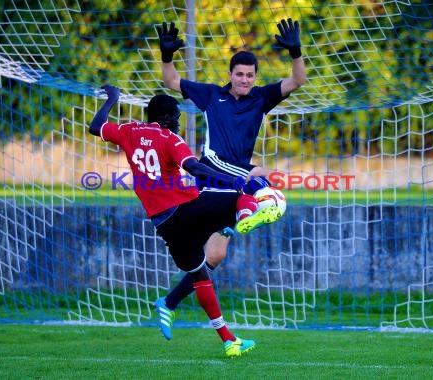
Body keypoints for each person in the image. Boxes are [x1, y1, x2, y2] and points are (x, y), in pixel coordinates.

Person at [88, 84, 282, 357]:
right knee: (240, 192)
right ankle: (246, 217)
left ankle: (229, 341)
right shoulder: (170, 138)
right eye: (177, 118)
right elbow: (193, 166)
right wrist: (233, 179)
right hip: (185, 208)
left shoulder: (128, 131)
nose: (179, 123)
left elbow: (96, 127)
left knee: (200, 276)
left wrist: (113, 99)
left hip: (164, 224)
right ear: (167, 118)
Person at [153, 18, 306, 339]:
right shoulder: (211, 96)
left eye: (250, 76)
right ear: (230, 75)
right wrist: (166, 56)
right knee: (264, 187)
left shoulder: (262, 98)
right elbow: (170, 81)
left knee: (215, 255)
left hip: (235, 175)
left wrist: (296, 51)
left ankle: (169, 301)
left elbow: (297, 80)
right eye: (240, 74)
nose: (245, 80)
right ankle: (248, 212)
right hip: (213, 173)